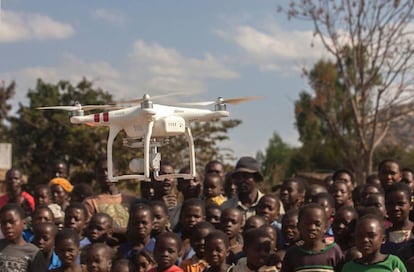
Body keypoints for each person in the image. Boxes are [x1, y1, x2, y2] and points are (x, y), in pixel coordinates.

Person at [83, 158, 135, 243]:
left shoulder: (131, 200)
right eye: (101, 171)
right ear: (96, 174)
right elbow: (87, 229)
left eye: (108, 170)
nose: (105, 174)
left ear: (116, 172)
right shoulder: (90, 202)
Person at [282, 203, 344, 272]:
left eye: (317, 224)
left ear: (326, 227)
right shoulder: (292, 253)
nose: (312, 228)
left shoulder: (334, 251)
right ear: (299, 226)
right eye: (307, 224)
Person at [342, 214, 407, 272]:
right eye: (360, 236)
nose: (365, 240)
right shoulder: (349, 268)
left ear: (383, 239)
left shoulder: (394, 263)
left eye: (371, 235)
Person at [0, 203, 47, 271]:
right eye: (3, 223)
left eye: (12, 222)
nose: (8, 226)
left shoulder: (33, 253)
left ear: (23, 223)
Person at [221, 156, 264, 221]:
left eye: (246, 176)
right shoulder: (226, 206)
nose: (241, 180)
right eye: (238, 177)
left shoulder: (270, 204)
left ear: (256, 178)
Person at [382, 182, 413, 254]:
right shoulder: (381, 236)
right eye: (390, 204)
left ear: (411, 205)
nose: (395, 208)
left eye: (401, 204)